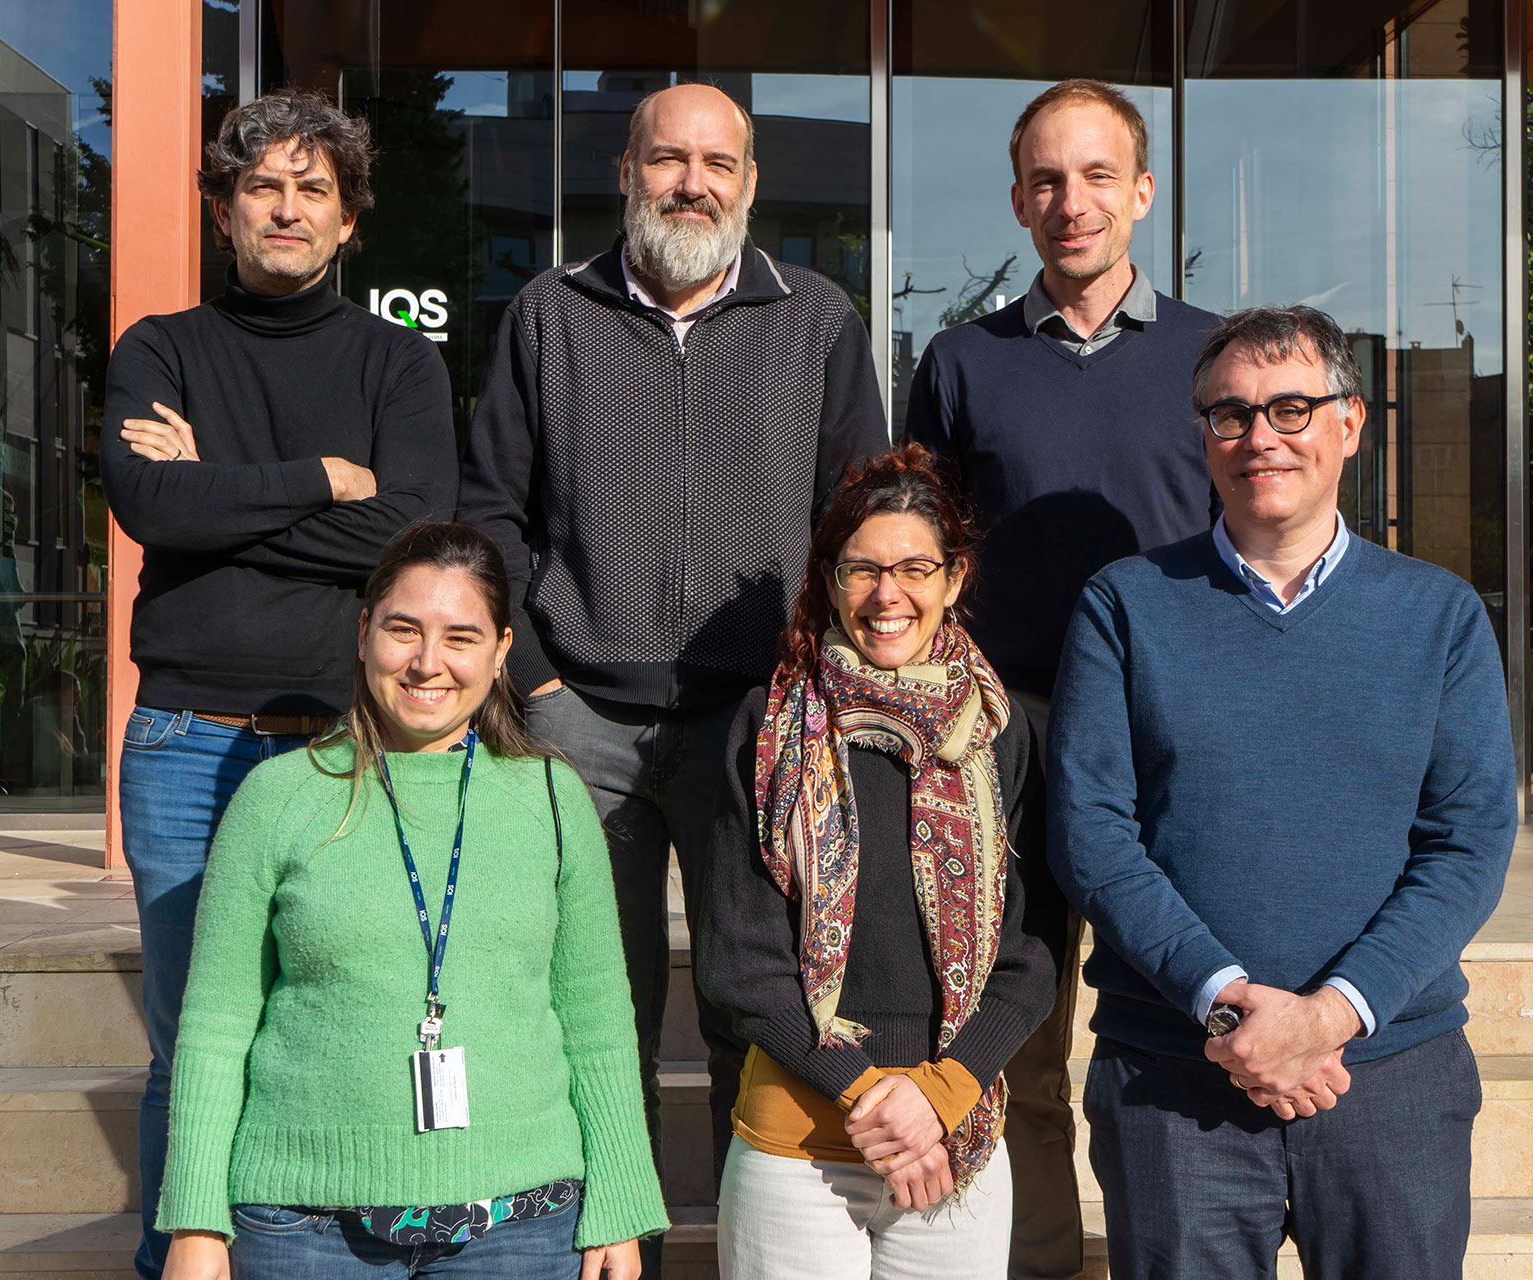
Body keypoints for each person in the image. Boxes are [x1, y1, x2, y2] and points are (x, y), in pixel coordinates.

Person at [458, 78, 890, 1250]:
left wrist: (809, 691)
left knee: (757, 1010)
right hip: (580, 721)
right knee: (599, 1018)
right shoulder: (549, 314)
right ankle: (620, 1252)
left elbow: (859, 519)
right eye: (667, 158)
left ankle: (761, 1254)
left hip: (755, 728)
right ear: (626, 173)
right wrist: (536, 682)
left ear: (748, 183)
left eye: (716, 163)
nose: (690, 183)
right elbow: (492, 512)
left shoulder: (817, 318)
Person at [1048, 305, 1518, 1280]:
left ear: (1350, 423)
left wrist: (1329, 1016)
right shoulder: (1125, 605)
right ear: (1205, 435)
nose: (1260, 436)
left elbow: (1468, 844)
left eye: (1291, 408)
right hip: (1176, 1079)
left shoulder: (1440, 616)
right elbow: (1090, 833)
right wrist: (1228, 1004)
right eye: (1231, 414)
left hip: (1387, 1077)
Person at [101, 88, 455, 1280]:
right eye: (263, 187)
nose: (287, 208)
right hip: (187, 741)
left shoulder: (397, 362)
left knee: (344, 1023)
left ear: (349, 219)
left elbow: (414, 536)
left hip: (349, 748)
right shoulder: (159, 348)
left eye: (314, 189)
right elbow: (150, 502)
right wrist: (321, 477)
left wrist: (223, 489)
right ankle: (179, 1258)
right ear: (224, 210)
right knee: (192, 1040)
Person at [156, 523, 668, 1280]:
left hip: (522, 1228)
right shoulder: (277, 798)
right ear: (365, 633)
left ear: (501, 652)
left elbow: (596, 1017)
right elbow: (215, 1022)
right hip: (305, 1226)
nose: (428, 662)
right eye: (404, 630)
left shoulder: (553, 799)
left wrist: (620, 1203)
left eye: (461, 638)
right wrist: (196, 1221)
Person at [902, 78, 1219, 1278]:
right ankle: (1039, 1258)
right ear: (1018, 201)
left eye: (1096, 176)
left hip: (1167, 732)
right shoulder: (959, 361)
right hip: (1007, 736)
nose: (1071, 201)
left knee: (1172, 1017)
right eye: (1047, 179)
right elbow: (919, 549)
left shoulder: (1211, 356)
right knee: (1016, 1032)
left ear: (1142, 192)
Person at [698, 445, 1066, 1279]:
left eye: (913, 569)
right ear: (829, 582)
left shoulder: (1001, 733)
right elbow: (738, 960)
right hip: (795, 1149)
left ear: (954, 577)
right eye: (861, 569)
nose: (886, 594)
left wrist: (940, 1096)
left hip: (954, 1138)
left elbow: (1033, 949)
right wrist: (871, 1096)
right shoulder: (769, 727)